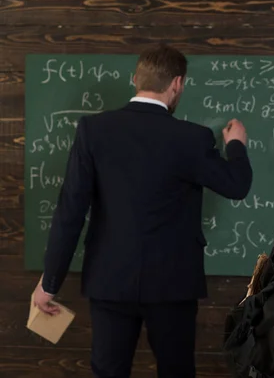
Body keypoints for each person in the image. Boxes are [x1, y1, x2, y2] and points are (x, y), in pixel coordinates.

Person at [31, 43, 253, 378]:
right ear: (177, 84)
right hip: (173, 284)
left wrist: (50, 282)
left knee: (108, 371)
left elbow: (69, 212)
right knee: (176, 371)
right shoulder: (192, 138)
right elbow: (236, 186)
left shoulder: (93, 131)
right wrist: (236, 144)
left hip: (109, 279)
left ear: (136, 78)